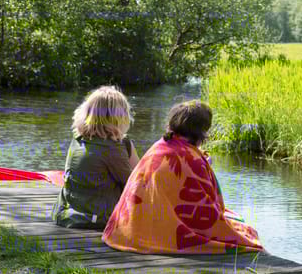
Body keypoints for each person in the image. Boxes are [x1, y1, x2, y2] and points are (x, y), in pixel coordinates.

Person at [102, 100, 263, 254]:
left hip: (128, 228)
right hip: (159, 233)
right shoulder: (192, 158)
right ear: (201, 131)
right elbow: (210, 210)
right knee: (247, 234)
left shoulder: (159, 146)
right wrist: (205, 166)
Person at [52, 86, 139, 229]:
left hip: (66, 213)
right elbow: (135, 185)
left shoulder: (79, 138)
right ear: (119, 117)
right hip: (95, 218)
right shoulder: (112, 148)